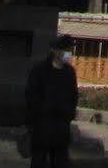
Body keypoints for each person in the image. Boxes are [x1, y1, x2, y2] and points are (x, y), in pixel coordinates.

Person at [26, 35, 80, 168]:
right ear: (56, 51)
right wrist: (37, 115)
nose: (69, 54)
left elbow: (74, 96)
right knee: (39, 162)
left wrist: (69, 114)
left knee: (61, 163)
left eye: (70, 50)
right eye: (66, 50)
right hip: (42, 127)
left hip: (61, 129)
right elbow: (31, 96)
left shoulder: (69, 72)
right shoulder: (39, 70)